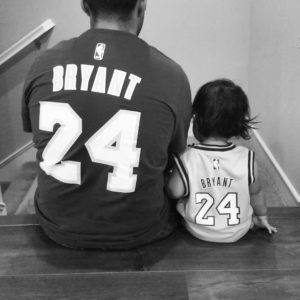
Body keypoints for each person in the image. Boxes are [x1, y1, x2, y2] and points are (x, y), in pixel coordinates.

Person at [22, 0, 192, 250]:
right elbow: (175, 153)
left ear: (85, 6)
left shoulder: (42, 64)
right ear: (141, 6)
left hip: (56, 225)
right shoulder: (172, 75)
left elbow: (38, 138)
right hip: (141, 229)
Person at [167, 79, 277, 243]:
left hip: (198, 230)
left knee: (179, 204)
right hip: (239, 230)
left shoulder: (188, 157)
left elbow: (174, 192)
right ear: (238, 124)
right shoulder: (248, 158)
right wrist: (261, 216)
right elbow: (256, 193)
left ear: (197, 121)